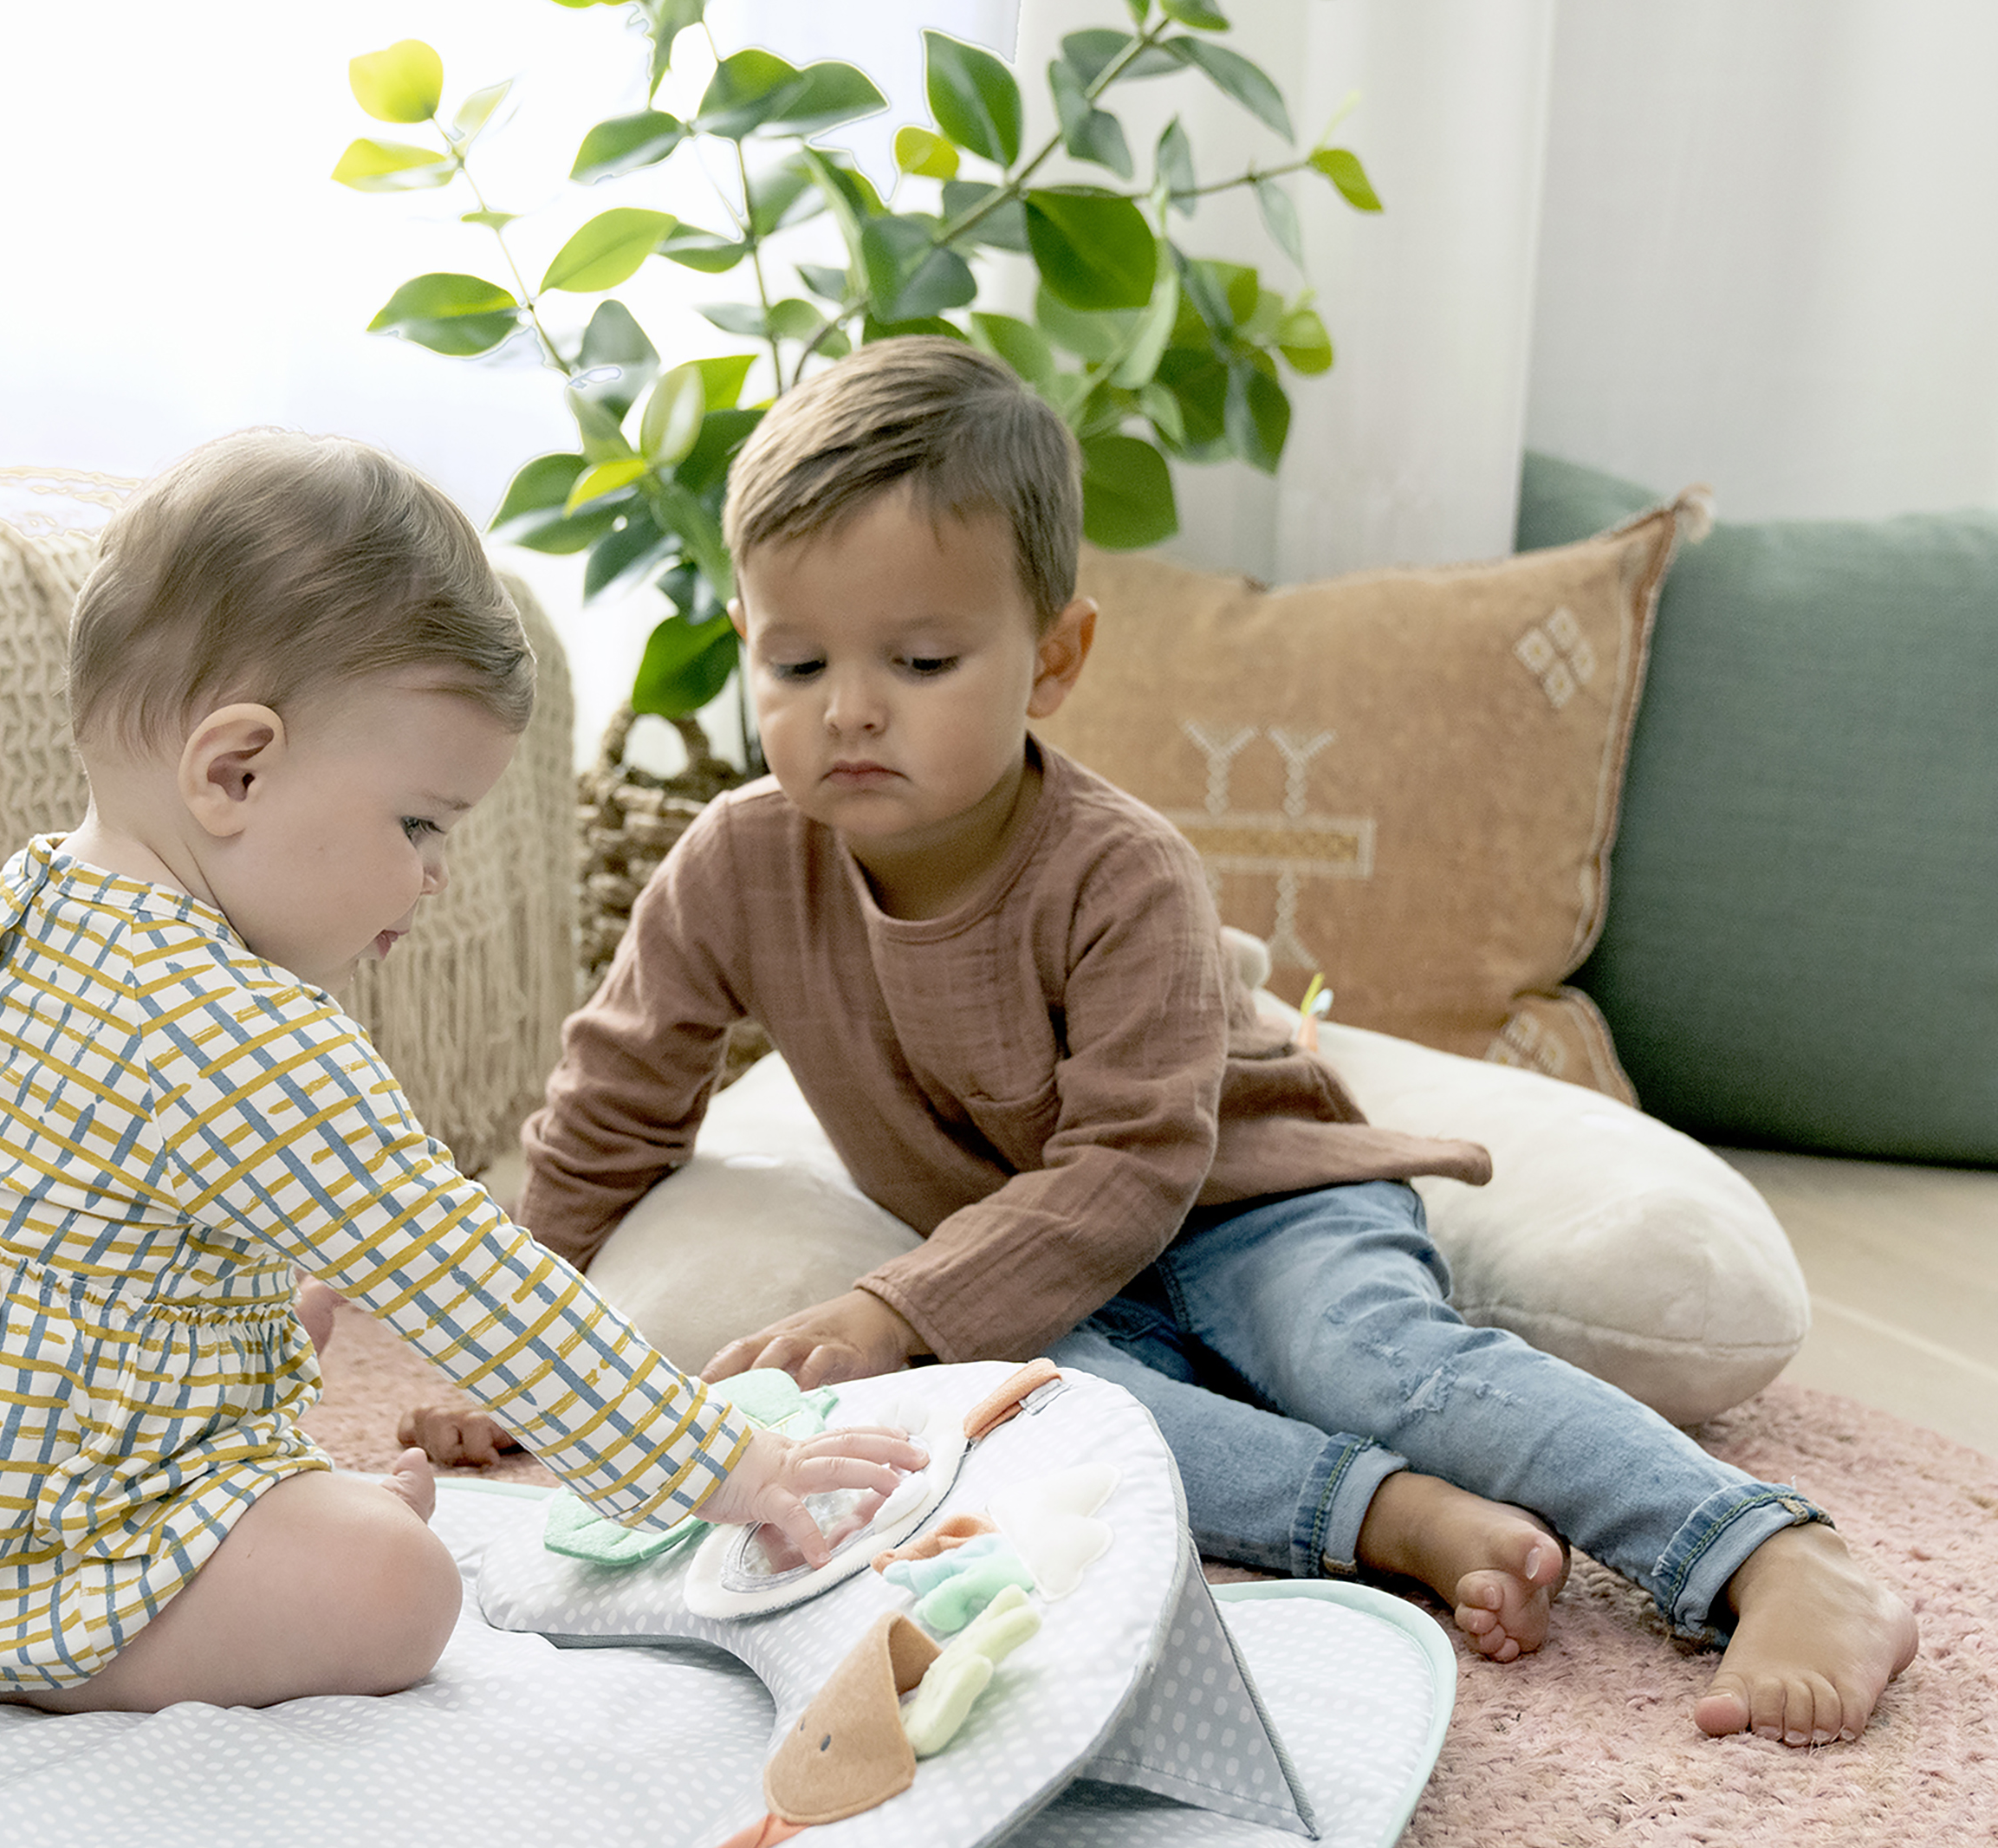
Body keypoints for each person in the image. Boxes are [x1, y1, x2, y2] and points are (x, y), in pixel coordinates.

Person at [405, 340, 1917, 1748]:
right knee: (1033, 1419)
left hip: (1250, 1197)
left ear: (1054, 658)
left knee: (1359, 1356)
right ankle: (1392, 1519)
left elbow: (1134, 1166)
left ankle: (1769, 1551)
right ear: (747, 644)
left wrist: (892, 1304)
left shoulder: (1118, 869)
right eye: (798, 667)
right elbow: (611, 1113)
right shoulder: (734, 866)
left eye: (920, 663)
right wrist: (515, 1343)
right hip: (1034, 1263)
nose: (850, 712)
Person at [0, 430, 921, 1713]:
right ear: (235, 770)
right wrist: (723, 1465)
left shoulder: (21, 904)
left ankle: (217, 1507)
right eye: (419, 824)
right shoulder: (248, 1033)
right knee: (398, 1584)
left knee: (285, 1295)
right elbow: (481, 1286)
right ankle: (136, 1606)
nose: (436, 874)